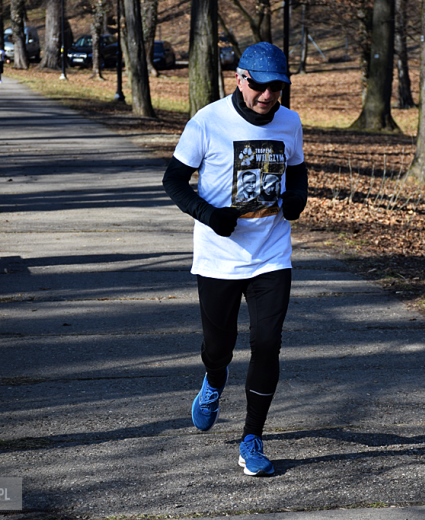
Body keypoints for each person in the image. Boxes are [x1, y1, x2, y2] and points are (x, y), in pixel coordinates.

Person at [163, 42, 308, 477]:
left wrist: (298, 196)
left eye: (277, 88)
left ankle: (252, 438)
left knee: (267, 343)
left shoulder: (289, 121)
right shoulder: (207, 121)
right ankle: (213, 379)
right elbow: (173, 181)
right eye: (260, 87)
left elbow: (296, 167)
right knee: (218, 348)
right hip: (218, 258)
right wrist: (209, 215)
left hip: (271, 254)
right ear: (240, 78)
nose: (268, 96)